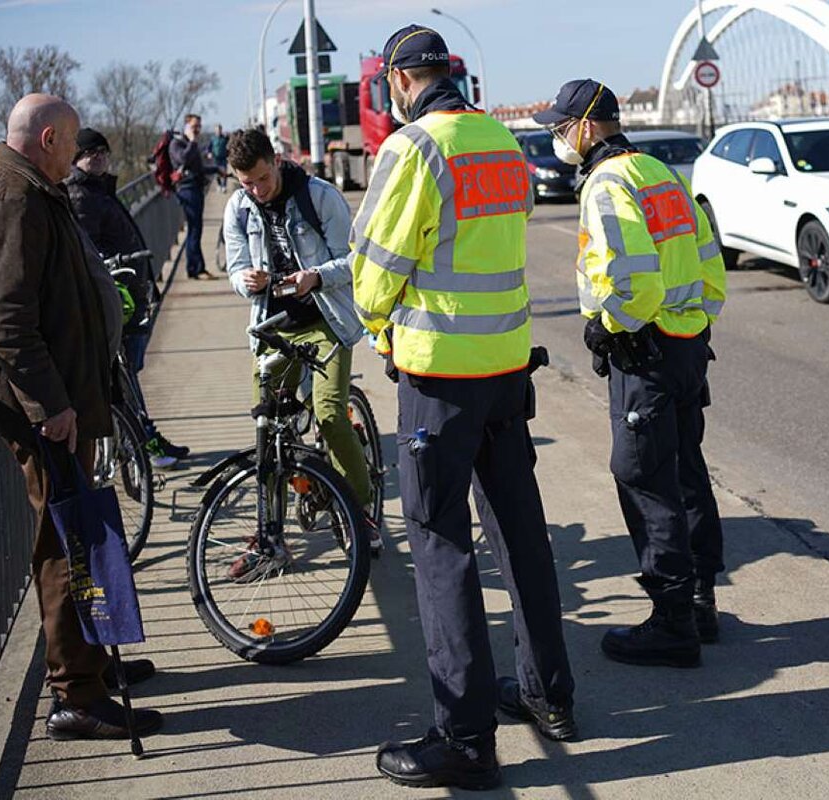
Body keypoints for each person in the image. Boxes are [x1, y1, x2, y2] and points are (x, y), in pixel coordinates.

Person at [351, 24, 575, 790]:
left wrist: (380, 329)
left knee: (440, 543)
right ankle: (549, 695)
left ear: (398, 81)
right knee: (519, 532)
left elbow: (376, 266)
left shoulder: (413, 148)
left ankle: (465, 738)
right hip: (506, 369)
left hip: (439, 378)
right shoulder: (501, 142)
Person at [533, 79, 727, 668]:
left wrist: (610, 326)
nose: (558, 138)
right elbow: (709, 262)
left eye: (561, 128)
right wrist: (693, 322)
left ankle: (672, 623)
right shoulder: (659, 172)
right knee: (686, 469)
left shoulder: (607, 182)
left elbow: (633, 275)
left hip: (646, 350)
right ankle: (701, 601)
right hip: (687, 344)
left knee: (643, 476)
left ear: (587, 126)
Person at [0, 94, 162, 740]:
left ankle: (90, 664)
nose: (75, 154)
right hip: (47, 410)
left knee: (77, 534)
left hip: (65, 399)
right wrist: (51, 405)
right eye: (70, 143)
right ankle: (76, 695)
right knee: (64, 543)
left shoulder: (35, 187)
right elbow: (6, 320)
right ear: (49, 139)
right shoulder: (14, 195)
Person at [222, 127, 380, 569]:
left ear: (275, 161)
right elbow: (235, 268)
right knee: (267, 425)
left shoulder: (318, 196)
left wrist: (315, 277)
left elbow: (355, 260)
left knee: (328, 413)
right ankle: (270, 535)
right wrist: (246, 281)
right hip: (273, 328)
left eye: (262, 178)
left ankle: (361, 512)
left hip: (325, 323)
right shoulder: (238, 208)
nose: (257, 190)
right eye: (247, 183)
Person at [64, 127, 190, 468]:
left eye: (103, 152)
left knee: (129, 372)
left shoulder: (97, 189)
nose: (100, 158)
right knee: (125, 377)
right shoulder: (81, 195)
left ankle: (136, 442)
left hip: (128, 293)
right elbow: (89, 249)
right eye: (91, 154)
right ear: (76, 159)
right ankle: (142, 445)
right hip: (117, 297)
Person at [170, 113, 213, 279]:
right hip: (187, 190)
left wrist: (217, 169)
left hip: (196, 188)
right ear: (186, 126)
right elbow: (183, 159)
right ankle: (195, 269)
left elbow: (198, 168)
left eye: (199, 127)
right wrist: (193, 141)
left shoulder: (190, 144)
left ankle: (198, 267)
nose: (197, 130)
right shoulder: (176, 144)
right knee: (194, 230)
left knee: (196, 229)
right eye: (194, 126)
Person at [209, 124, 229, 193]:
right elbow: (209, 148)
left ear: (221, 130)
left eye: (219, 130)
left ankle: (224, 186)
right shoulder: (212, 139)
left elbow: (229, 145)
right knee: (216, 173)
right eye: (217, 130)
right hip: (215, 159)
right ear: (215, 130)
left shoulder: (225, 138)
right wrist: (209, 153)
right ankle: (219, 185)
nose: (218, 131)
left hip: (223, 158)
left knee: (224, 172)